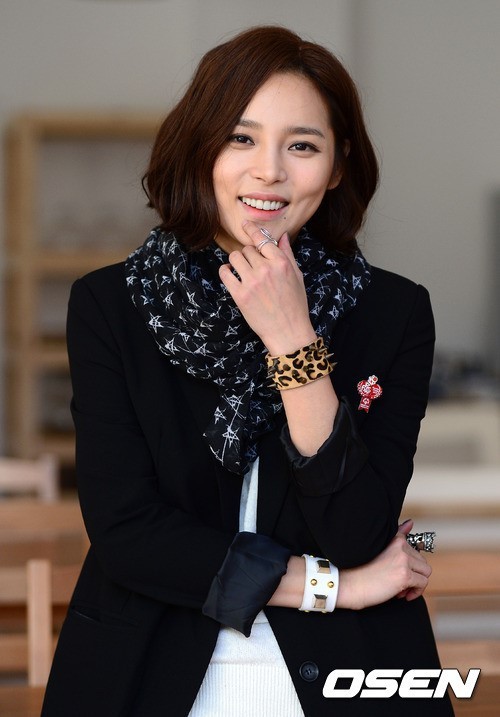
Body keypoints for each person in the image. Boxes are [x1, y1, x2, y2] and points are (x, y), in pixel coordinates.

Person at [41, 25, 453, 717]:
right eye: (241, 138)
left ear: (338, 165)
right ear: (201, 148)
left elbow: (358, 529)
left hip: (351, 674)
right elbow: (130, 534)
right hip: (149, 672)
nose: (269, 172)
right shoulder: (112, 306)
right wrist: (332, 586)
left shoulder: (393, 313)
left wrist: (294, 341)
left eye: (302, 145)